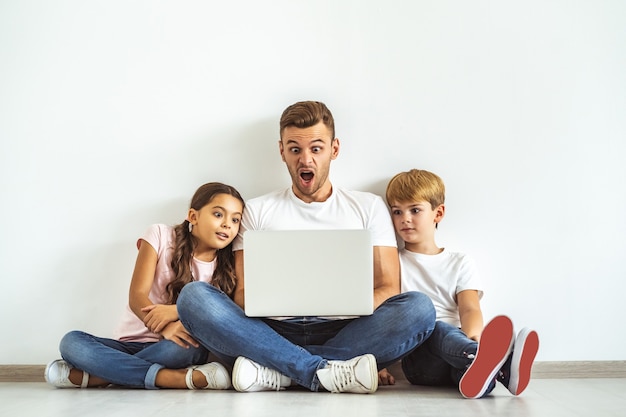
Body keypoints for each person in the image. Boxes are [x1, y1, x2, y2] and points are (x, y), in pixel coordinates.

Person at [176, 101, 436, 394]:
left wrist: (342, 303)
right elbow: (243, 295)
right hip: (269, 332)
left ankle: (278, 373)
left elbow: (389, 287)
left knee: (419, 309)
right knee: (194, 297)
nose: (306, 160)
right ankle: (322, 372)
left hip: (347, 330)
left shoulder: (368, 207)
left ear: (334, 149)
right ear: (282, 151)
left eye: (316, 148)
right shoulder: (257, 210)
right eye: (295, 149)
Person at [45, 182, 245, 390]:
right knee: (71, 342)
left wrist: (174, 313)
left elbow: (222, 317)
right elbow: (137, 295)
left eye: (235, 219)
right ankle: (169, 378)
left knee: (191, 348)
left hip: (174, 346)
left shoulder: (230, 265)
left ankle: (102, 376)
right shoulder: (160, 235)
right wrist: (166, 326)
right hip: (129, 344)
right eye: (218, 215)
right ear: (193, 216)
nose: (227, 225)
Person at [381, 169, 539, 398]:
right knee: (434, 325)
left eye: (415, 210)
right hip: (420, 360)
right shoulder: (392, 262)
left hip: (458, 350)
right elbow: (382, 313)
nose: (405, 218)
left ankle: (490, 372)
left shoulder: (459, 262)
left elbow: (469, 308)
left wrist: (474, 336)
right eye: (397, 212)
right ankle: (495, 362)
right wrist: (378, 362)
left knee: (470, 375)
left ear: (438, 213)